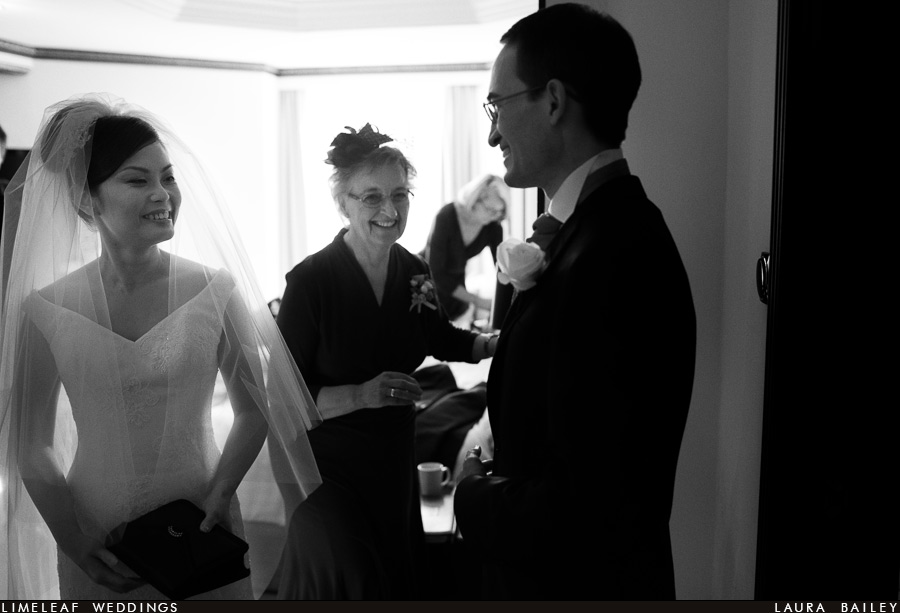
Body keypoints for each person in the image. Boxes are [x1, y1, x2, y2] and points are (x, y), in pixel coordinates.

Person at [0, 95, 322, 600]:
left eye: (168, 178)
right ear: (88, 200)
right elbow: (32, 443)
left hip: (203, 520)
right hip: (96, 530)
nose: (163, 194)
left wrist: (221, 492)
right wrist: (74, 539)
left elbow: (253, 409)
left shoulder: (215, 290)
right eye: (137, 180)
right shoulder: (45, 309)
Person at [453, 4, 696, 599]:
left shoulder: (615, 253)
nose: (492, 133)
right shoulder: (594, 230)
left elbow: (586, 506)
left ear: (554, 101)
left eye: (497, 106)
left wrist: (472, 493)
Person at [273, 123, 498, 599]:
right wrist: (361, 394)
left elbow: (440, 337)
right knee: (353, 575)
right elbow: (284, 399)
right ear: (343, 203)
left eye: (400, 195)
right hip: (329, 469)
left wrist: (494, 343)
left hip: (393, 459)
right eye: (372, 197)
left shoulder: (414, 271)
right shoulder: (310, 283)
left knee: (392, 573)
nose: (390, 211)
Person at [422, 173, 508, 322]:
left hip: (456, 290)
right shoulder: (446, 217)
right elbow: (436, 273)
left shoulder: (493, 226)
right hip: (426, 282)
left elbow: (501, 268)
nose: (495, 217)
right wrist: (477, 301)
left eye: (500, 212)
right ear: (475, 201)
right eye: (491, 210)